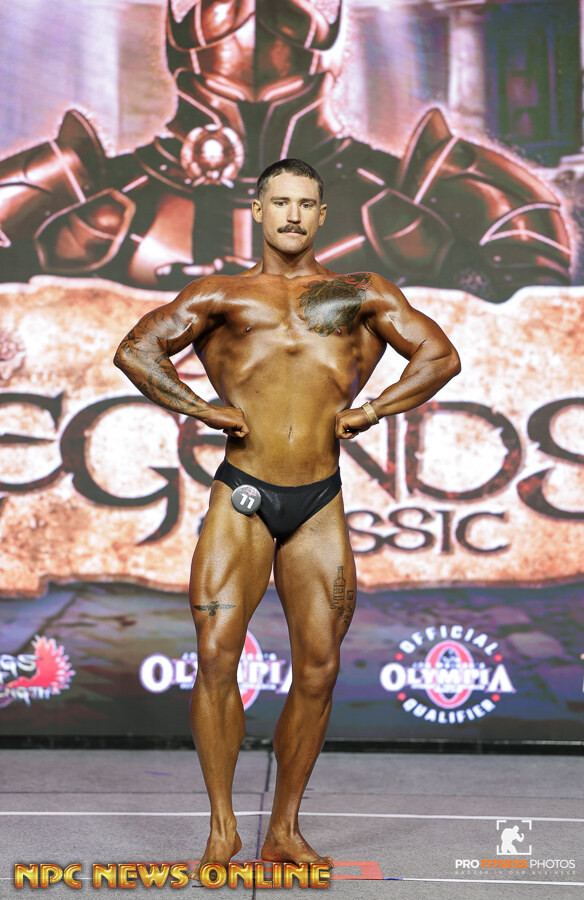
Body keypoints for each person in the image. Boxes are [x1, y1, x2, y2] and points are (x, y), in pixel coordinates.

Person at [113, 157, 461, 875]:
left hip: (318, 501)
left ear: (322, 214)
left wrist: (373, 408)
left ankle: (284, 830)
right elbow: (135, 350)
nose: (293, 215)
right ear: (259, 210)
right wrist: (201, 408)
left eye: (306, 204)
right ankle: (221, 829)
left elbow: (440, 356)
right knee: (217, 654)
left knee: (320, 668)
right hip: (242, 493)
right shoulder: (221, 293)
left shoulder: (359, 292)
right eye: (281, 203)